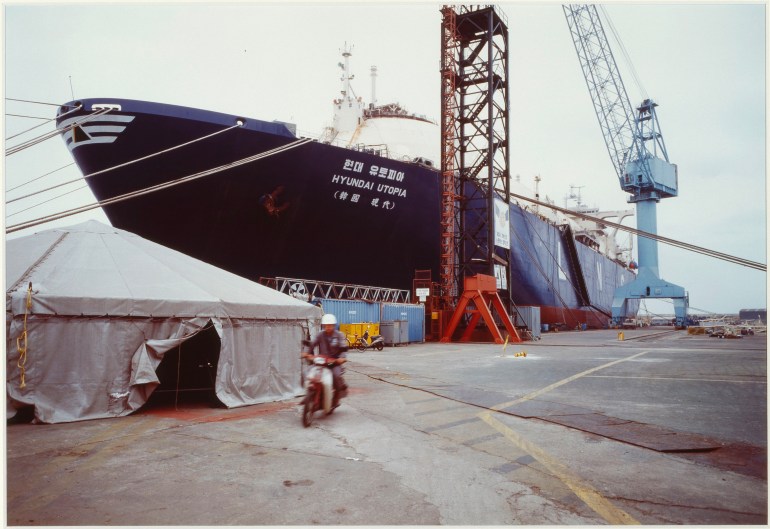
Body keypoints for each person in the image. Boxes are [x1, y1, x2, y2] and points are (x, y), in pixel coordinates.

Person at [303, 313, 348, 407]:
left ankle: (336, 398)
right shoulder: (320, 335)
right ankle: (308, 394)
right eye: (326, 325)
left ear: (334, 325)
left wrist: (342, 358)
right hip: (322, 361)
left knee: (335, 375)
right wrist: (307, 353)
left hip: (334, 363)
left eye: (330, 325)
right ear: (323, 326)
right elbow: (313, 344)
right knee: (308, 373)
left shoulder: (339, 335)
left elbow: (343, 349)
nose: (328, 327)